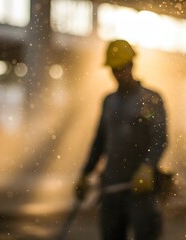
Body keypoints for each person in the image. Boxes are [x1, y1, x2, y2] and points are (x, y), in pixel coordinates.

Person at [75, 40, 168, 240]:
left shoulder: (149, 101)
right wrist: (85, 173)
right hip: (111, 188)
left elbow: (159, 137)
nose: (118, 74)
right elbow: (99, 141)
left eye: (121, 68)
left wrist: (148, 167)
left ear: (132, 65)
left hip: (140, 189)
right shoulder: (109, 102)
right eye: (114, 69)